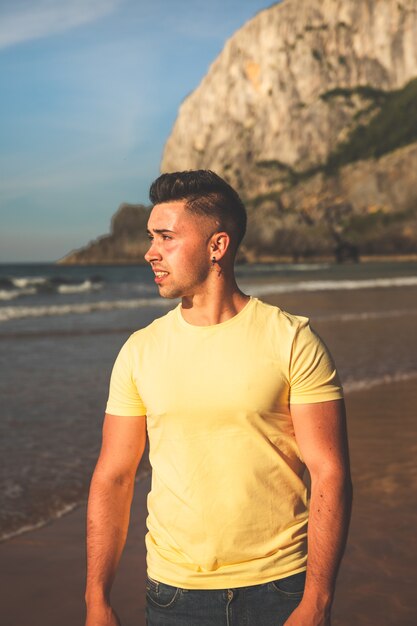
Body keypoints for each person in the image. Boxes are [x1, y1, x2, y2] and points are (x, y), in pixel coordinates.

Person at [85, 170, 352, 626]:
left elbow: (329, 471)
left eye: (166, 237)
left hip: (282, 588)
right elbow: (113, 477)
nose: (150, 252)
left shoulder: (292, 340)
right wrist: (96, 599)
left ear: (217, 246)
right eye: (151, 237)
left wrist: (317, 600)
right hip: (174, 595)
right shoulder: (139, 351)